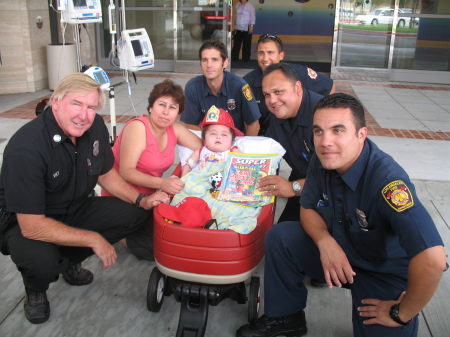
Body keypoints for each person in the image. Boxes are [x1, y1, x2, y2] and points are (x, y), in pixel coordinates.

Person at [236, 93, 447, 337]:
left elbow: (433, 260)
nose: (325, 141)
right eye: (318, 131)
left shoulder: (388, 182)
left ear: (361, 135)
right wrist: (325, 243)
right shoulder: (323, 159)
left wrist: (401, 312)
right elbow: (308, 208)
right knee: (282, 236)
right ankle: (286, 317)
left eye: (338, 130)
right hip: (340, 251)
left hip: (382, 273)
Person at [0, 73, 170, 324]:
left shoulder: (94, 127)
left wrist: (140, 200)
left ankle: (68, 261)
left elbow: (104, 172)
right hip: (26, 221)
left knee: (135, 214)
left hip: (73, 206)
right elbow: (32, 225)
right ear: (55, 103)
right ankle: (36, 289)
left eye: (91, 107)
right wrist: (93, 238)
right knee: (42, 263)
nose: (84, 115)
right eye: (76, 104)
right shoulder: (26, 147)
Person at [102, 79, 202, 260]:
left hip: (151, 197)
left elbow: (203, 147)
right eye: (161, 105)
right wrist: (164, 183)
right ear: (150, 107)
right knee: (156, 249)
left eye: (173, 107)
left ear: (178, 113)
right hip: (123, 197)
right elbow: (127, 171)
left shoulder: (175, 129)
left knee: (175, 237)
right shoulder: (138, 127)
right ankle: (113, 233)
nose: (166, 112)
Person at [256, 62, 322, 224]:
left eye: (278, 92)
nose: (272, 100)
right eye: (267, 95)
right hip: (304, 177)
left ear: (297, 87)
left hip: (337, 192)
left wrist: (294, 187)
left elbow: (338, 176)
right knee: (280, 233)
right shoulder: (277, 118)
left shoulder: (323, 118)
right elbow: (266, 151)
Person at [243, 34, 336, 135]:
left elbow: (330, 86)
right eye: (261, 53)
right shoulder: (247, 82)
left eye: (270, 53)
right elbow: (248, 120)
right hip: (267, 135)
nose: (265, 58)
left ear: (281, 55)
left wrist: (317, 117)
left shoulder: (298, 73)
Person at [181, 40, 261, 136]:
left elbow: (254, 125)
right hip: (206, 142)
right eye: (205, 60)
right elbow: (190, 125)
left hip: (235, 143)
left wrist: (244, 149)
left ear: (225, 62)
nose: (209, 65)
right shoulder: (193, 87)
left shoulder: (240, 86)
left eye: (215, 60)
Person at [181, 106, 243, 177]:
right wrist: (183, 178)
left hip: (226, 182)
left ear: (232, 141)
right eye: (213, 134)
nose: (218, 137)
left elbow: (245, 166)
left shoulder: (233, 151)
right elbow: (189, 165)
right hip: (203, 182)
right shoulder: (201, 152)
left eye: (224, 135)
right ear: (204, 140)